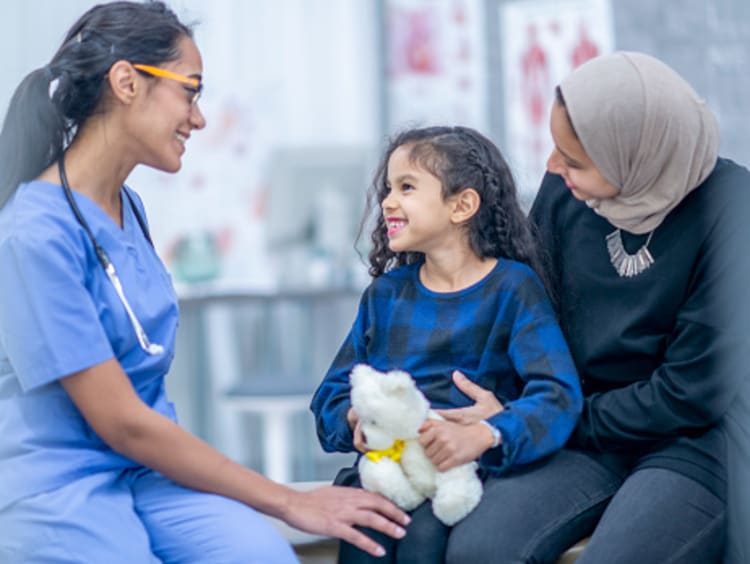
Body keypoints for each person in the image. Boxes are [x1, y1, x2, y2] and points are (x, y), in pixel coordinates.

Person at [0, 3, 410, 562]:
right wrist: (288, 500)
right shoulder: (34, 234)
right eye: (190, 92)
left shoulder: (129, 208)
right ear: (126, 83)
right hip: (57, 483)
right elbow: (122, 421)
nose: (199, 118)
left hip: (146, 474)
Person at [442, 51, 750, 563]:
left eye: (574, 160)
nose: (551, 166)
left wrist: (546, 418)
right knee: (480, 549)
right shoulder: (567, 194)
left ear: (635, 154)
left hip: (696, 440)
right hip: (580, 428)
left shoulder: (733, 209)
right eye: (555, 149)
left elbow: (690, 394)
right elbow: (522, 313)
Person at [310, 125, 583, 563]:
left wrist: (486, 433)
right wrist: (353, 416)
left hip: (465, 474)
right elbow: (330, 394)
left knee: (423, 540)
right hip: (387, 470)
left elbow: (558, 397)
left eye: (407, 187)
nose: (388, 201)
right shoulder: (385, 295)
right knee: (365, 531)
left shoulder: (513, 289)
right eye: (387, 188)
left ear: (462, 205)